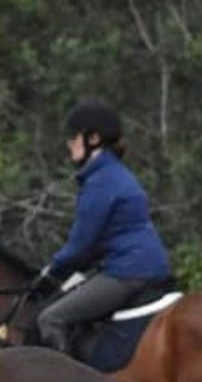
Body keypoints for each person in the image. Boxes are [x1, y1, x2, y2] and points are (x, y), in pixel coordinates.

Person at [34, 100, 173, 355]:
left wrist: (50, 272)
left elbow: (80, 247)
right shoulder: (115, 174)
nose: (69, 144)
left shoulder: (101, 181)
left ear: (93, 139)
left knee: (50, 318)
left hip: (127, 271)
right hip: (143, 265)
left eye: (74, 137)